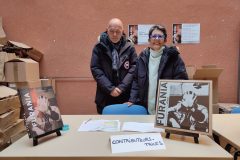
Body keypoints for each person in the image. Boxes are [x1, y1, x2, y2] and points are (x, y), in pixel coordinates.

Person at [127, 25, 188, 114]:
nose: (157, 39)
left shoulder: (174, 58)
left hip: (166, 110)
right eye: (154, 36)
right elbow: (136, 81)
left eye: (160, 36)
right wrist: (132, 99)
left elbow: (182, 82)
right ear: (149, 40)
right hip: (145, 108)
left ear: (165, 40)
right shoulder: (142, 58)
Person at [90, 18, 137, 114]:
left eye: (118, 32)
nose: (114, 34)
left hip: (125, 94)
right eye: (111, 31)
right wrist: (110, 89)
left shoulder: (130, 47)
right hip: (105, 94)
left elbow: (134, 67)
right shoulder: (99, 47)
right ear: (107, 30)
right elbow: (95, 68)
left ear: (123, 32)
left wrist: (121, 88)